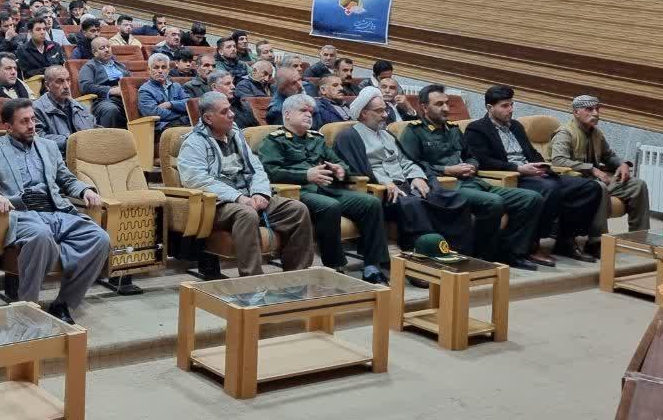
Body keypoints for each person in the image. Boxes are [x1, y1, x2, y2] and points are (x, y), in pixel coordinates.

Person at [0, 99, 111, 323]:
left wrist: (85, 190)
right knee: (41, 235)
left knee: (100, 238)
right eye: (24, 122)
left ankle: (63, 303)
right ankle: (27, 308)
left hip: (57, 211)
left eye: (33, 119)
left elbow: (67, 180)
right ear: (8, 127)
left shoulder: (48, 146)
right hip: (22, 214)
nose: (31, 125)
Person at [399, 84, 545, 270]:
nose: (446, 108)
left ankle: (512, 252)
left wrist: (472, 166)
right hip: (447, 188)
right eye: (439, 104)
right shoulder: (414, 131)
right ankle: (484, 255)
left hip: (473, 181)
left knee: (531, 198)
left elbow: (472, 155)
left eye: (447, 103)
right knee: (493, 202)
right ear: (424, 107)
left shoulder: (453, 129)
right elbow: (412, 163)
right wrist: (446, 169)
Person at [177, 92, 315, 277]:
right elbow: (197, 179)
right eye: (224, 112)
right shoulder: (194, 143)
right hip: (219, 203)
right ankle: (253, 281)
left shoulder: (235, 134)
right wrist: (239, 198)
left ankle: (297, 276)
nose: (232, 114)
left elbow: (256, 167)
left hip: (249, 194)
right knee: (247, 213)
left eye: (230, 109)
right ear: (208, 118)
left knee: (297, 209)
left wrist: (260, 193)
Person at [257, 94, 389, 283]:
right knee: (330, 206)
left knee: (371, 203)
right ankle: (334, 264)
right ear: (287, 114)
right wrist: (305, 175)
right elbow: (270, 172)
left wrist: (340, 170)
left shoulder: (317, 138)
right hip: (298, 193)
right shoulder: (274, 140)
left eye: (311, 112)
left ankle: (372, 266)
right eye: (303, 111)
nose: (308, 115)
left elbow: (339, 163)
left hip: (328, 188)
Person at [465, 85, 603, 262]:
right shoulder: (477, 128)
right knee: (550, 188)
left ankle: (566, 239)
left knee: (589, 187)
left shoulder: (516, 126)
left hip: (534, 172)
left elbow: (531, 152)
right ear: (490, 108)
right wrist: (519, 169)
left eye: (512, 105)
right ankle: (532, 243)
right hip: (512, 176)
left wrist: (542, 164)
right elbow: (483, 161)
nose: (510, 110)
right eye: (505, 106)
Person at [332, 87, 474, 252]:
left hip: (407, 185)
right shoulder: (349, 137)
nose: (385, 115)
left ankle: (457, 250)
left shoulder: (386, 134)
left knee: (454, 198)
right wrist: (387, 183)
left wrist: (417, 177)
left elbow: (406, 161)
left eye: (385, 110)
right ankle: (423, 251)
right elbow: (359, 170)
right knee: (413, 204)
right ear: (364, 113)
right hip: (384, 193)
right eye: (379, 111)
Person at [549, 95, 651, 252]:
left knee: (637, 185)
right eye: (589, 109)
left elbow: (608, 155)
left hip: (597, 179)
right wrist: (591, 169)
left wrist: (622, 164)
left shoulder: (596, 133)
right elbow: (558, 161)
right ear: (576, 112)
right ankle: (596, 241)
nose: (595, 113)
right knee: (599, 187)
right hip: (574, 183)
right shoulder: (565, 133)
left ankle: (638, 238)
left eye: (597, 109)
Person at [33, 65, 98, 154]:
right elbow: (38, 137)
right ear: (47, 85)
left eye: (68, 80)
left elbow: (94, 127)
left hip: (88, 153)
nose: (66, 86)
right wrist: (69, 141)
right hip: (60, 157)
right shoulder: (36, 109)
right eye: (59, 82)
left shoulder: (80, 106)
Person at [73, 37, 126, 128]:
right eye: (102, 48)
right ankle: (107, 136)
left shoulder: (120, 65)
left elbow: (130, 82)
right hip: (104, 99)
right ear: (94, 52)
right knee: (110, 109)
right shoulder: (89, 67)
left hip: (124, 98)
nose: (107, 50)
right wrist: (110, 90)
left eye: (108, 47)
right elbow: (85, 86)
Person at [137, 53, 190, 135]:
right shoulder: (145, 90)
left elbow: (189, 103)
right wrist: (181, 113)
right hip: (161, 127)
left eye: (164, 67)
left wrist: (170, 104)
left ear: (168, 70)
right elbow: (153, 113)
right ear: (149, 70)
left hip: (180, 122)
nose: (160, 71)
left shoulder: (176, 86)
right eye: (156, 67)